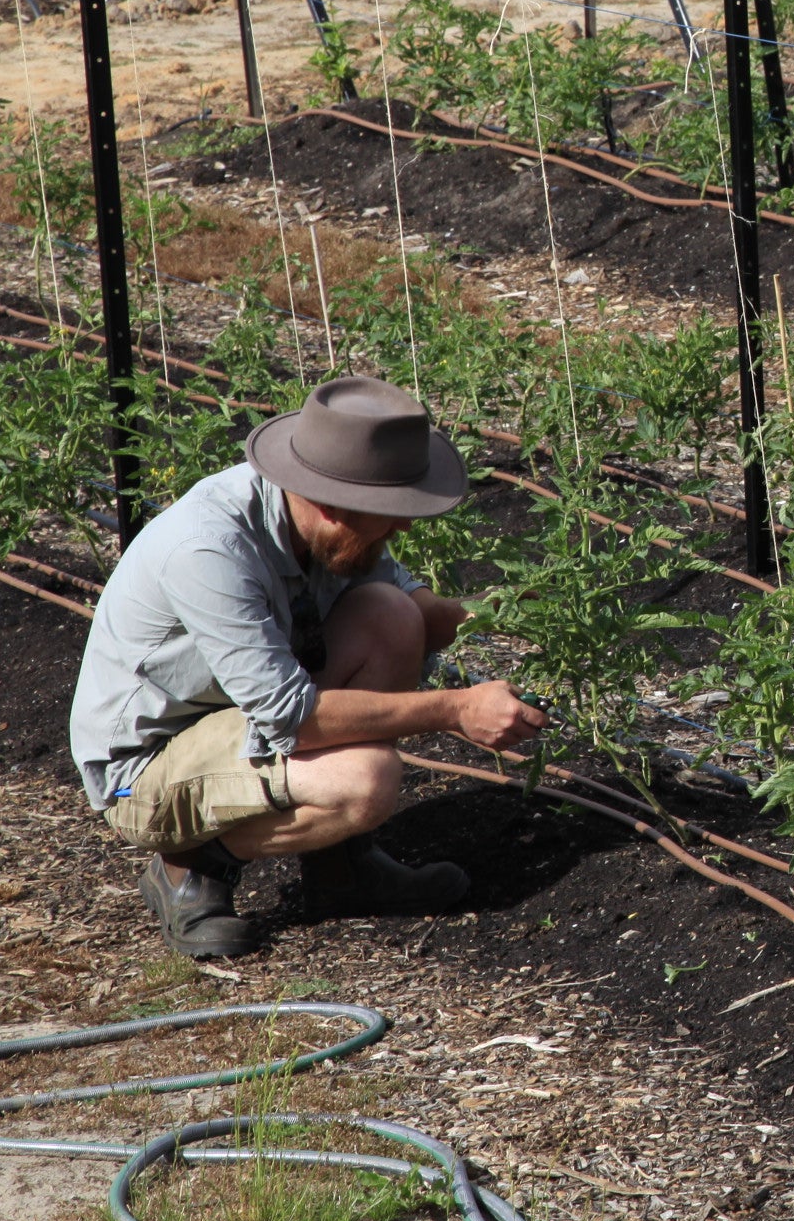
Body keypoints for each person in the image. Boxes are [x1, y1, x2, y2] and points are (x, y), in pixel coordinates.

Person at [70, 375, 545, 958]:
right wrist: (456, 708)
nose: (403, 526)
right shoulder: (209, 549)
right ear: (329, 505)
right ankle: (188, 869)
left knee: (393, 616)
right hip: (148, 766)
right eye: (391, 513)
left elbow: (416, 608)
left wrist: (516, 617)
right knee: (365, 781)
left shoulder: (330, 526)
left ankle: (342, 870)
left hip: (242, 714)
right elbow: (292, 716)